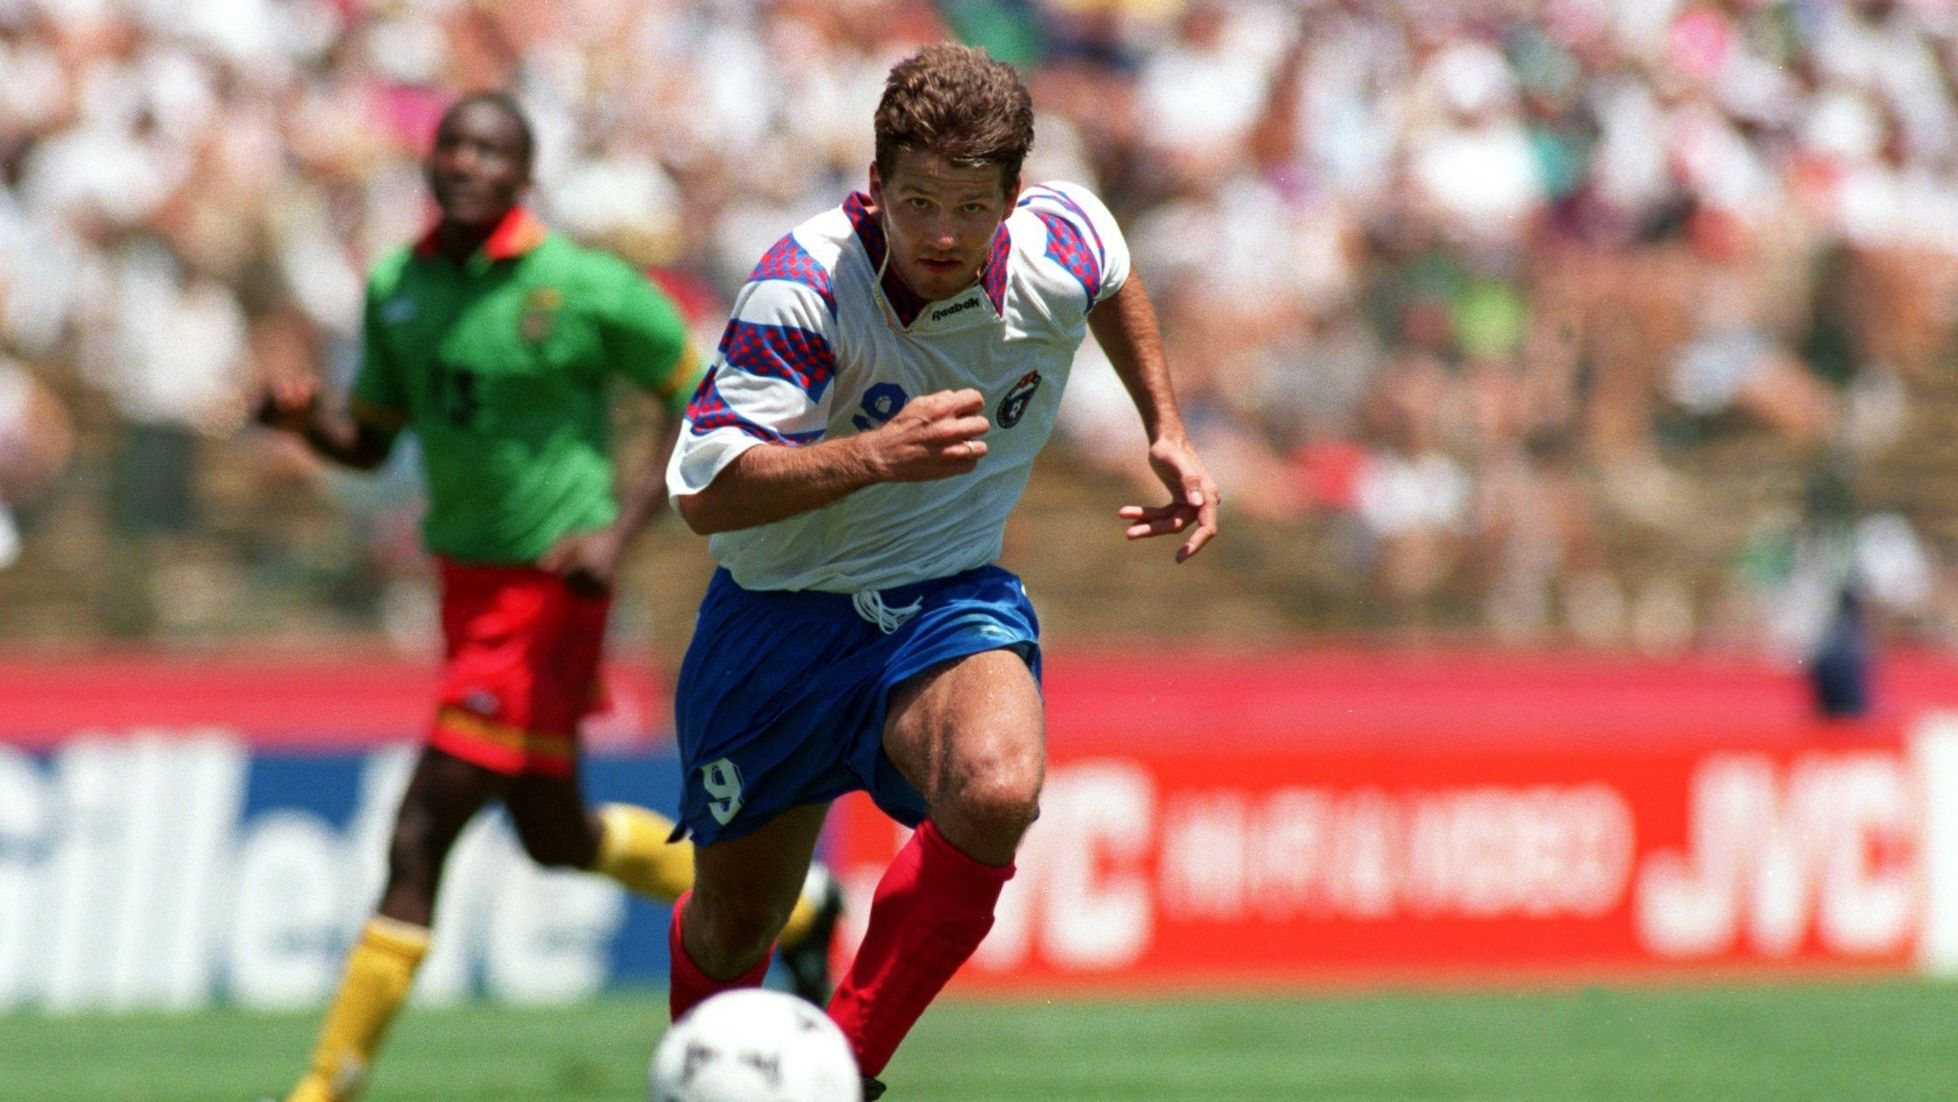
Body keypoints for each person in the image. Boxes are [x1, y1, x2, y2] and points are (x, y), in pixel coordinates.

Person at [257, 92, 842, 1102]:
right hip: (464, 592)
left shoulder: (579, 285)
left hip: (550, 591)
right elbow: (374, 437)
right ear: (430, 162)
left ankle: (320, 1090)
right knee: (552, 836)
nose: (468, 162)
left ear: (523, 176)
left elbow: (695, 396)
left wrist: (617, 533)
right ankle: (801, 910)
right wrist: (308, 426)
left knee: (419, 828)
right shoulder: (398, 285)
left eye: (491, 150)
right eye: (453, 145)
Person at [660, 45, 1219, 1098]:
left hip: (942, 594)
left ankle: (840, 1067)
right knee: (736, 927)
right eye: (915, 201)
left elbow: (1110, 268)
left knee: (997, 787)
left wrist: (1167, 427)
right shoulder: (801, 287)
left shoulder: (1060, 238)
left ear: (1014, 198)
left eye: (970, 205)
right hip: (776, 620)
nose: (942, 234)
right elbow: (704, 494)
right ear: (874, 186)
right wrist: (874, 455)